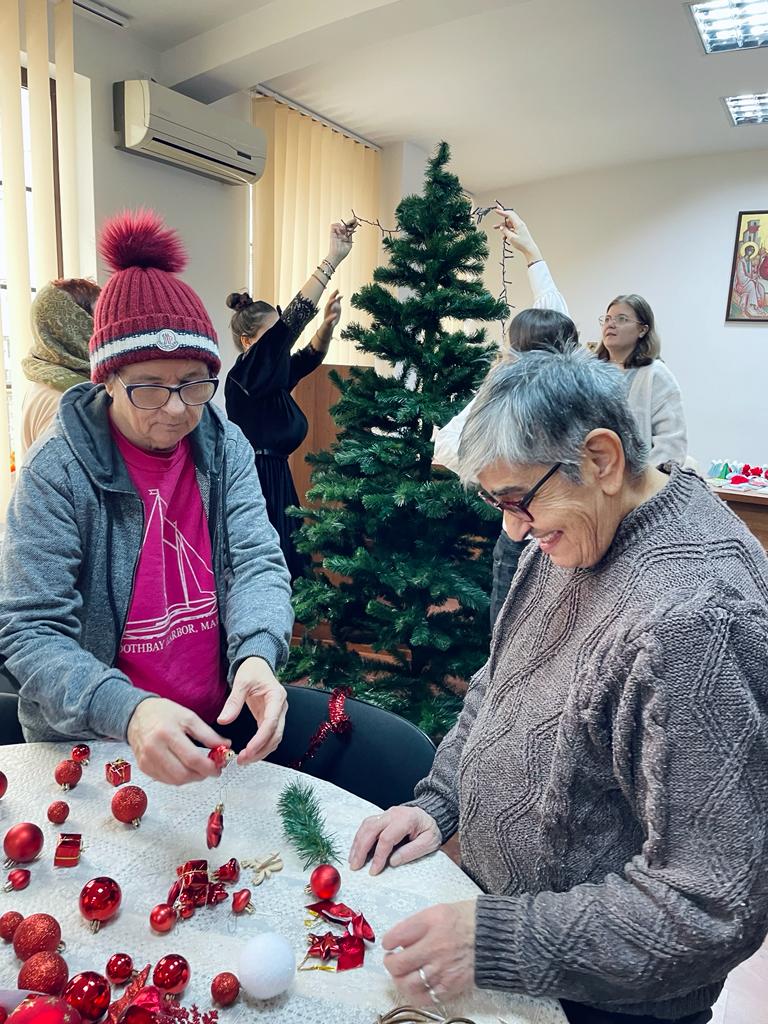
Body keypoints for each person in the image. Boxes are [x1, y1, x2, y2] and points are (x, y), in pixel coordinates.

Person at [350, 349, 768, 1024]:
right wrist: (439, 803)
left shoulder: (696, 618)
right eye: (497, 502)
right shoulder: (575, 531)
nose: (512, 527)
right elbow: (500, 683)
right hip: (523, 948)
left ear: (601, 459)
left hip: (611, 1002)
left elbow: (712, 905)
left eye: (518, 500)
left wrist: (499, 940)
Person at [0, 209, 293, 786]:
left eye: (193, 382)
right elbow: (30, 631)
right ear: (105, 380)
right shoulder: (57, 469)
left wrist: (257, 652)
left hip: (211, 725)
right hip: (92, 741)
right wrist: (128, 710)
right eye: (150, 387)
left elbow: (258, 561)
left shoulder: (225, 444)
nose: (180, 408)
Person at [433, 207, 576, 626]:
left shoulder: (508, 393)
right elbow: (555, 314)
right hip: (572, 541)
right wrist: (532, 253)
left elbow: (451, 448)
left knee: (510, 633)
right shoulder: (576, 388)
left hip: (523, 539)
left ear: (514, 351)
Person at [225, 220, 356, 579]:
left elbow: (308, 358)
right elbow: (292, 326)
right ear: (250, 341)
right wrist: (333, 258)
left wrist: (327, 326)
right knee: (269, 569)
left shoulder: (270, 379)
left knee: (290, 567)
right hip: (257, 481)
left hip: (275, 475)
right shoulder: (246, 375)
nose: (281, 339)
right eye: (273, 333)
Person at [596, 293, 687, 465]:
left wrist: (642, 484)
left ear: (643, 330)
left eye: (621, 319)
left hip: (638, 482)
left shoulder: (656, 375)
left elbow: (671, 443)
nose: (611, 324)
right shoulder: (588, 372)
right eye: (607, 319)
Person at [21, 277, 100, 454]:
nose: (107, 329)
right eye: (99, 317)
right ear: (75, 324)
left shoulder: (45, 380)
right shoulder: (67, 400)